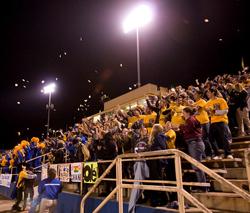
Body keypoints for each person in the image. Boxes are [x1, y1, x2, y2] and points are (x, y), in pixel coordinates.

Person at [179, 107, 207, 189]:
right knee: (196, 166)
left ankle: (203, 187)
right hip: (194, 143)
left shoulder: (190, 119)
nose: (182, 114)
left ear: (187, 112)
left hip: (195, 143)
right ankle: (202, 185)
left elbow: (188, 129)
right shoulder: (190, 119)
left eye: (183, 112)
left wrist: (180, 127)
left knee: (197, 166)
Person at [205, 88, 233, 159]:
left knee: (224, 137)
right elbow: (209, 114)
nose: (207, 94)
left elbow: (226, 111)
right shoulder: (208, 102)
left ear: (213, 92)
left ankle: (228, 153)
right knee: (211, 139)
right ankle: (217, 154)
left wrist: (215, 112)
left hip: (222, 121)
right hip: (213, 121)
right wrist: (209, 112)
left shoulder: (221, 100)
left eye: (208, 92)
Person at [147, 124, 168, 207]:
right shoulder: (156, 137)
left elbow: (163, 147)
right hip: (154, 160)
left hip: (158, 161)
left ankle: (163, 199)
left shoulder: (159, 136)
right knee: (154, 180)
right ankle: (156, 199)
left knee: (157, 179)